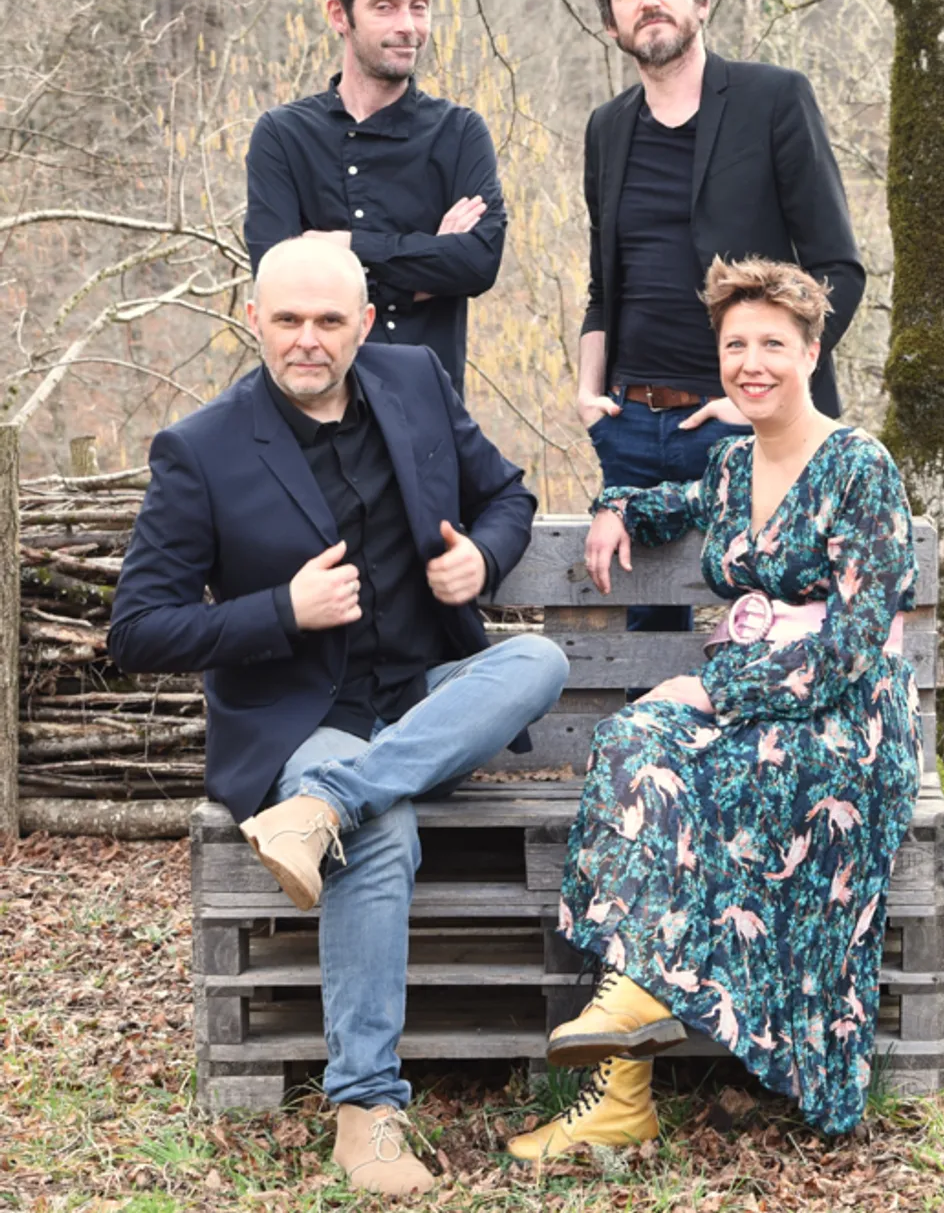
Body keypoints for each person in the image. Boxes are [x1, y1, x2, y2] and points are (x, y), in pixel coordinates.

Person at [108, 237, 569, 1197]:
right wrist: (284, 609)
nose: (307, 340)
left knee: (539, 659)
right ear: (253, 321)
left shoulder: (417, 381)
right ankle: (366, 1111)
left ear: (364, 322)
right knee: (383, 828)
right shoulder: (202, 448)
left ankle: (328, 804)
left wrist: (483, 556)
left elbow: (507, 493)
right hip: (300, 717)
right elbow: (139, 628)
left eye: (328, 320)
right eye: (287, 320)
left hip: (426, 701)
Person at [507, 257, 921, 1161]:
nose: (751, 362)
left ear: (811, 352)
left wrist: (716, 688)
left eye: (773, 343)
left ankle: (630, 1016)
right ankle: (624, 1077)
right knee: (632, 738)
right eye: (736, 345)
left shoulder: (859, 465)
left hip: (845, 720)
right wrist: (619, 507)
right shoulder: (733, 463)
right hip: (755, 710)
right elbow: (678, 503)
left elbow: (856, 645)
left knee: (711, 767)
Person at [577, 0, 864, 635]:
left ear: (700, 0)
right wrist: (589, 394)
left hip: (749, 425)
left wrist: (761, 396)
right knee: (645, 647)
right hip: (631, 429)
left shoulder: (773, 100)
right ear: (610, 23)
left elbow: (837, 270)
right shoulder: (607, 129)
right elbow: (603, 290)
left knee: (779, 636)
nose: (649, 0)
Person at [243, 0, 505, 395]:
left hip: (427, 404)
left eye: (419, 6)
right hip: (315, 409)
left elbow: (477, 262)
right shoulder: (282, 136)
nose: (408, 26)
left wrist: (346, 245)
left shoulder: (461, 132)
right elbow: (280, 283)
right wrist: (428, 263)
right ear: (339, 15)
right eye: (385, 7)